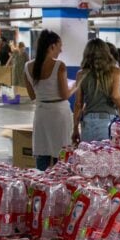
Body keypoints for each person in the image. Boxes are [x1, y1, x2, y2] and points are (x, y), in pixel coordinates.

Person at [24, 30, 75, 171]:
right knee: (62, 153)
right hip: (59, 114)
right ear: (52, 46)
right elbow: (64, 95)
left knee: (42, 151)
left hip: (41, 114)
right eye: (59, 46)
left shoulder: (28, 66)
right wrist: (75, 87)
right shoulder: (59, 65)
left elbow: (32, 95)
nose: (61, 50)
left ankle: (41, 185)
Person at [72, 38, 120, 143]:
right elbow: (115, 96)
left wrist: (75, 129)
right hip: (107, 122)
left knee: (87, 157)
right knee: (105, 158)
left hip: (88, 122)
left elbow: (78, 104)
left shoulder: (81, 74)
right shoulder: (115, 72)